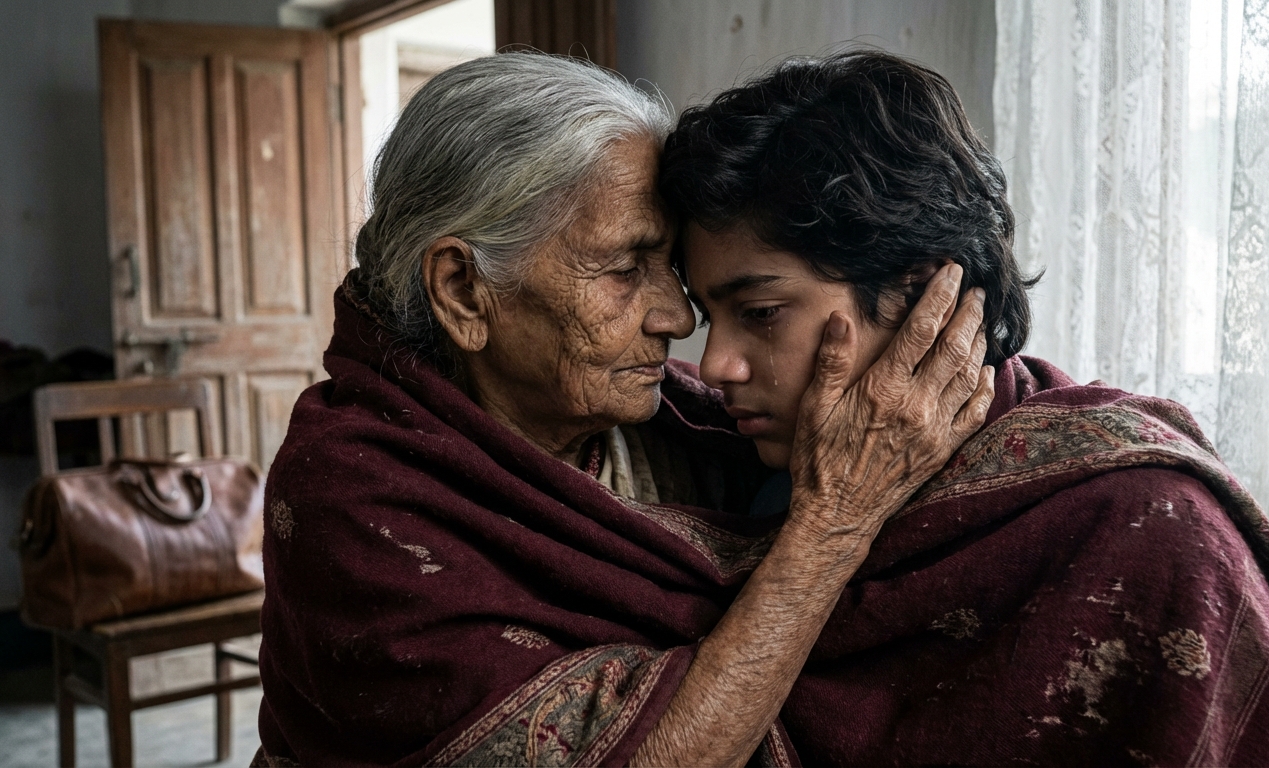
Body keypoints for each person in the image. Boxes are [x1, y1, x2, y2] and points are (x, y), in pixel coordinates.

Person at [253, 53, 992, 767]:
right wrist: (833, 525)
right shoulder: (353, 498)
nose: (677, 319)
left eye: (669, 272)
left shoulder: (688, 423)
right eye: (626, 270)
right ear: (462, 290)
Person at [659, 50, 1269, 765]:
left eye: (763, 312)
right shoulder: (739, 486)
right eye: (710, 317)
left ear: (921, 298)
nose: (716, 366)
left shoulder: (1144, 526)